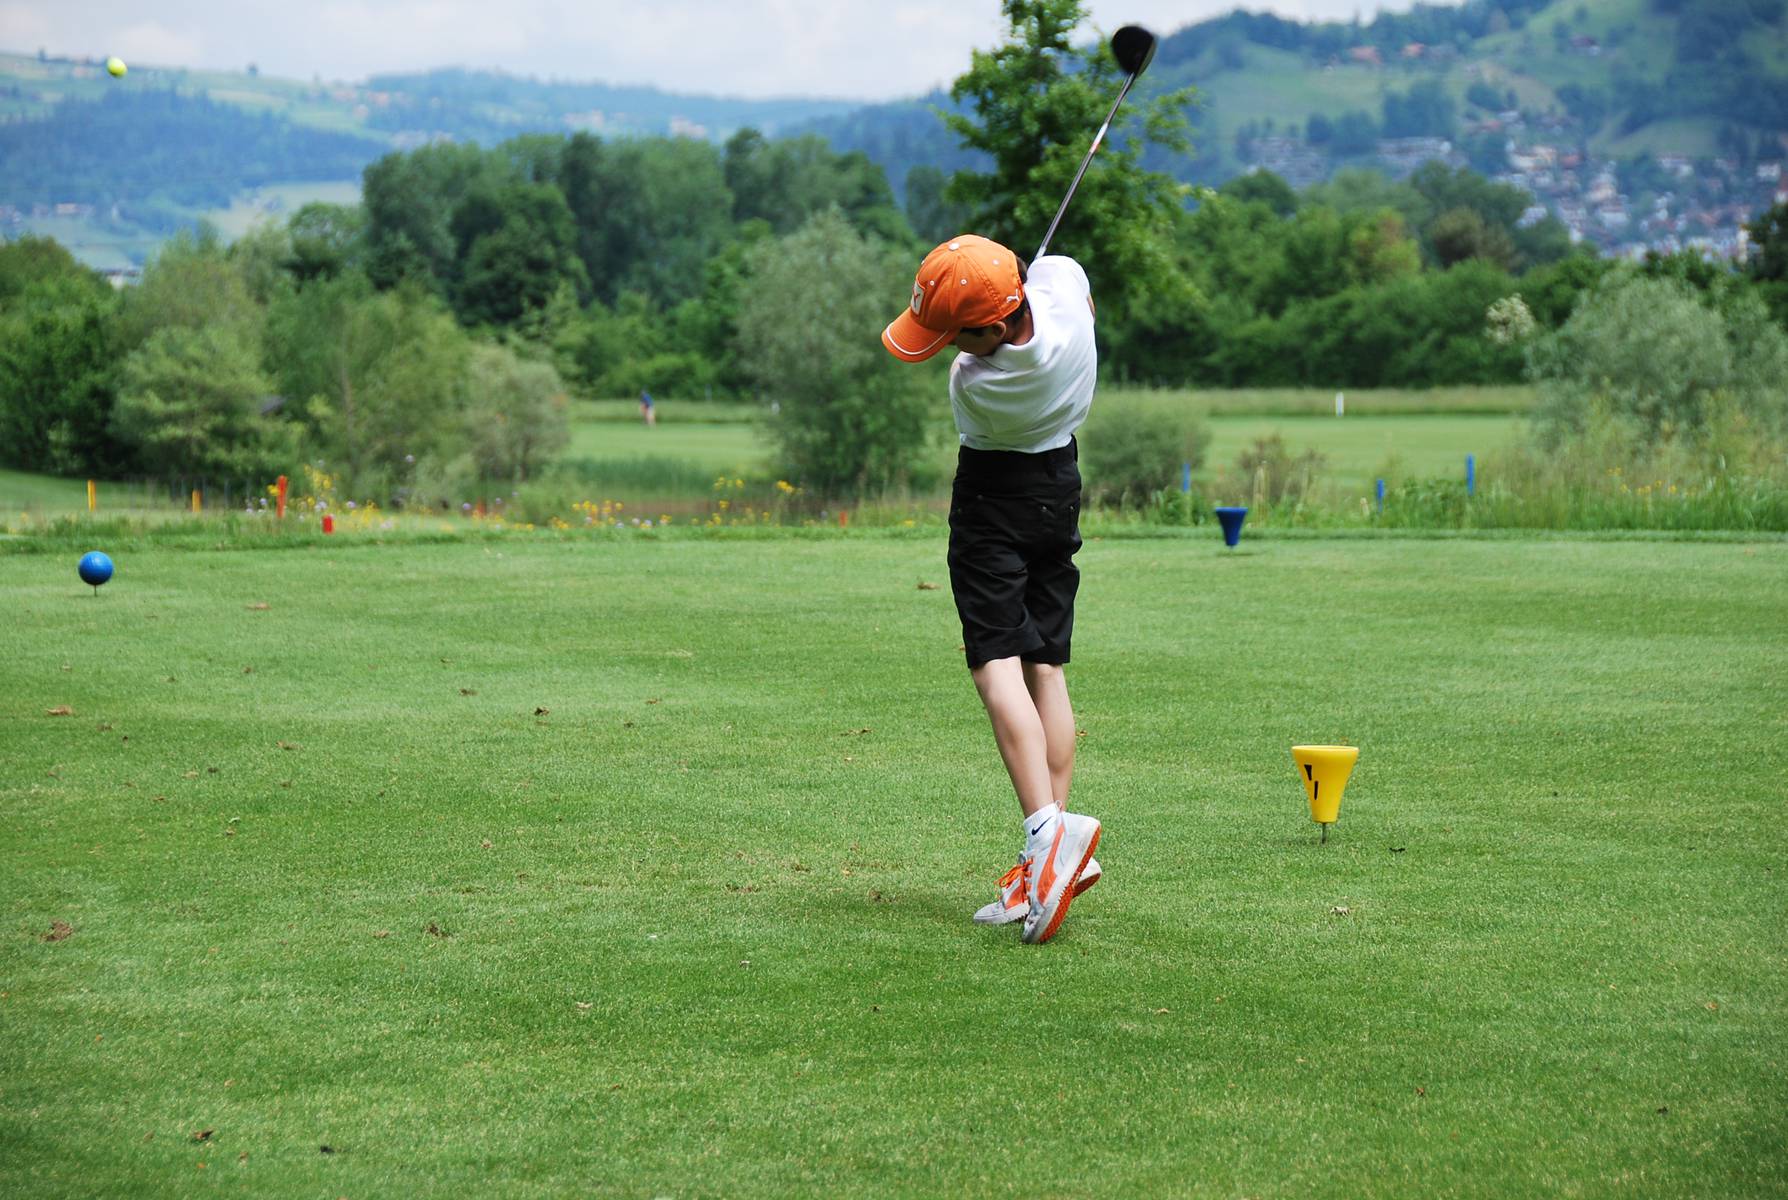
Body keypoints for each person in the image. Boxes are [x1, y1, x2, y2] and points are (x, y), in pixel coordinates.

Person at [881, 235, 1102, 945]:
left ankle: (1046, 833)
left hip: (992, 498)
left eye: (956, 334)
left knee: (995, 661)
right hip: (1059, 487)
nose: (950, 348)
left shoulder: (974, 384)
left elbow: (1007, 317)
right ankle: (1047, 866)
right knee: (1047, 667)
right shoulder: (1063, 297)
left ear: (995, 330)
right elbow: (1067, 281)